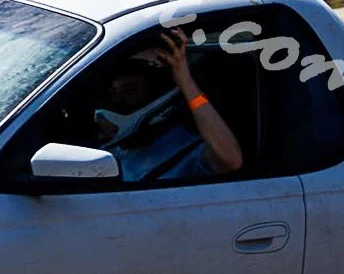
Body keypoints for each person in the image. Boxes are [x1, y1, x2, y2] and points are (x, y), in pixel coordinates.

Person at [91, 27, 244, 182]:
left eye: (130, 90)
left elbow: (231, 160)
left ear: (156, 92)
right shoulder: (112, 150)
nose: (118, 100)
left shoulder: (186, 147)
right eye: (113, 92)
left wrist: (186, 83)